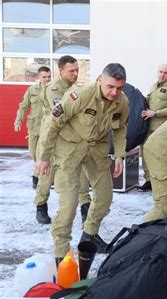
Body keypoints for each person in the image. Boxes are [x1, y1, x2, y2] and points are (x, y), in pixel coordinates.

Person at [36, 63, 129, 262]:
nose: (114, 92)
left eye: (119, 88)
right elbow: (54, 122)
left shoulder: (122, 102)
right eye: (110, 86)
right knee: (68, 206)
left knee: (104, 197)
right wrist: (44, 156)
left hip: (96, 150)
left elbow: (120, 128)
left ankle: (89, 235)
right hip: (70, 149)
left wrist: (120, 155)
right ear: (100, 80)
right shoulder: (80, 95)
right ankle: (61, 254)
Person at [34, 56, 92, 225]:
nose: (75, 74)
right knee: (46, 176)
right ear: (60, 71)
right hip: (52, 139)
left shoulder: (76, 88)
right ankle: (41, 205)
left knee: (79, 174)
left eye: (77, 70)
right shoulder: (54, 89)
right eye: (71, 71)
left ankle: (85, 207)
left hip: (70, 140)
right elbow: (62, 114)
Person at [138, 64, 167, 191]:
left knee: (159, 155)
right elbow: (147, 100)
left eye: (165, 73)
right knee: (145, 152)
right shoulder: (154, 86)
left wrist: (155, 113)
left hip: (160, 129)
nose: (162, 74)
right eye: (160, 72)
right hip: (148, 127)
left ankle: (160, 181)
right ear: (157, 72)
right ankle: (148, 180)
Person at [13, 66, 51, 189]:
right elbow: (23, 106)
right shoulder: (32, 90)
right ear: (39, 77)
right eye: (44, 77)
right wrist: (18, 121)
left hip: (48, 127)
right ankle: (38, 173)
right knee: (33, 153)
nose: (47, 79)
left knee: (43, 153)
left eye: (49, 76)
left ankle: (38, 177)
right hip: (34, 127)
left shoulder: (54, 90)